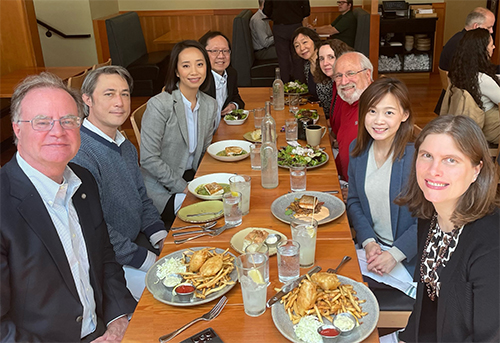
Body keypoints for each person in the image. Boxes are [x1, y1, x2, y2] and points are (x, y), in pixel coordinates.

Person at [1, 72, 136, 342]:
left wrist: (118, 320)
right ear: (17, 128)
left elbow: (106, 258)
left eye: (68, 120)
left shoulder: (82, 181)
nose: (58, 132)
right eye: (42, 122)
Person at [397, 115, 499, 342]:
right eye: (427, 156)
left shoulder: (492, 244)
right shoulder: (430, 215)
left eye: (450, 160)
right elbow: (427, 304)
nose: (433, 170)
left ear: (476, 170)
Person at [71, 66, 167, 301]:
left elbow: (141, 198)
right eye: (109, 94)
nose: (120, 102)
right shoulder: (80, 155)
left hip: (136, 242)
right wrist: (150, 259)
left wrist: (162, 238)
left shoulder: (124, 143)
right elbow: (97, 228)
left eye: (125, 94)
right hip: (111, 262)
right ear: (87, 99)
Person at [347, 78, 417, 289]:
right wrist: (368, 242)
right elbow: (354, 201)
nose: (378, 121)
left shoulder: (416, 158)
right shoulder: (357, 150)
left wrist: (395, 254)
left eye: (389, 113)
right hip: (371, 251)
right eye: (372, 111)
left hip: (408, 257)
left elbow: (431, 218)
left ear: (404, 115)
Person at [140, 40, 218, 229]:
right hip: (160, 188)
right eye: (186, 65)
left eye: (200, 64)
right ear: (176, 71)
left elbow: (204, 152)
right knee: (210, 218)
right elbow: (148, 159)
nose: (194, 71)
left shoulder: (209, 104)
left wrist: (206, 183)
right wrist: (185, 188)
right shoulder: (160, 105)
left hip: (191, 178)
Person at [448, 28, 500, 145]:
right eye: (491, 44)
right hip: (491, 129)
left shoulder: (463, 72)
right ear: (482, 50)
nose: (494, 47)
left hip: (472, 124)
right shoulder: (483, 80)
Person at [330, 51, 373, 182]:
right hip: (343, 178)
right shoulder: (348, 101)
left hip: (360, 192)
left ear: (367, 74)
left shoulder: (377, 108)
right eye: (338, 75)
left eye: (351, 73)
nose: (344, 81)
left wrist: (355, 192)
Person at [199, 31, 245, 128]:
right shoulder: (199, 79)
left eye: (225, 51)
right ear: (202, 53)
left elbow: (236, 98)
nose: (221, 56)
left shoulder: (231, 74)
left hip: (222, 128)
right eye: (214, 51)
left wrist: (233, 105)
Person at [263, 0, 310, 83]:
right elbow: (306, 10)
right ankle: (300, 86)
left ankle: (285, 86)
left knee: (283, 59)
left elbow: (266, 10)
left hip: (279, 27)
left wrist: (276, 16)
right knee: (298, 57)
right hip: (296, 25)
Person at [439, 7, 495, 72]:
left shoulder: (460, 37)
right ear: (476, 26)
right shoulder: (464, 44)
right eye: (489, 27)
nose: (491, 31)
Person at [313, 39, 353, 118]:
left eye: (331, 57)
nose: (325, 63)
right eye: (321, 59)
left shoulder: (349, 86)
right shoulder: (335, 82)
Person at [291, 27, 323, 103]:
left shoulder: (326, 62)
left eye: (304, 42)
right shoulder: (307, 66)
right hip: (316, 110)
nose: (302, 48)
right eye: (297, 46)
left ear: (314, 41)